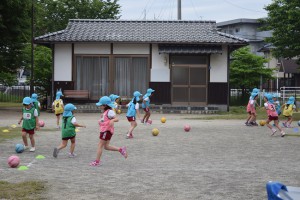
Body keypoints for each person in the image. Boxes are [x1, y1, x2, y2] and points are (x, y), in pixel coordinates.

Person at [90, 96, 127, 166]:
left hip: (106, 131)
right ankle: (121, 150)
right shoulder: (106, 112)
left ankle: (97, 161)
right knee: (106, 146)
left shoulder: (110, 112)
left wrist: (112, 120)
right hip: (105, 131)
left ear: (105, 105)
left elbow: (117, 119)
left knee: (100, 145)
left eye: (101, 105)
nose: (100, 106)